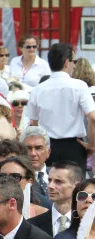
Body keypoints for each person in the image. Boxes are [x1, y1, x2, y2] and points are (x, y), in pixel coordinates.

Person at [26, 43, 95, 172]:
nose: (75, 65)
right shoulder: (80, 86)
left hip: (47, 146)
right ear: (67, 62)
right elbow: (93, 117)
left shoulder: (38, 89)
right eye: (74, 61)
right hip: (73, 146)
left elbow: (33, 122)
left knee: (48, 183)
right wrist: (92, 145)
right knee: (74, 183)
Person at [29, 161, 83, 238]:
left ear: (77, 186)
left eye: (58, 181)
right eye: (49, 180)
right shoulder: (31, 225)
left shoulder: (87, 224)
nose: (50, 186)